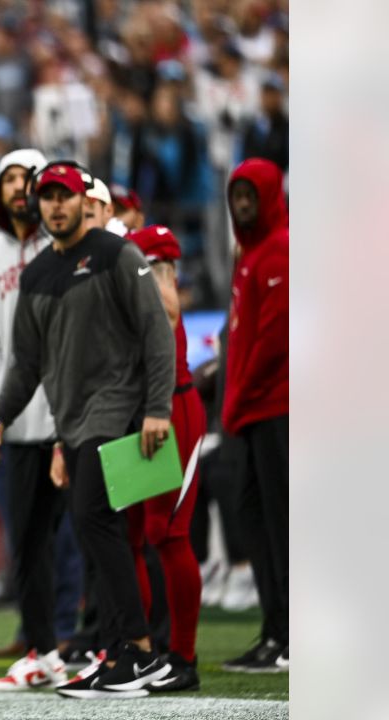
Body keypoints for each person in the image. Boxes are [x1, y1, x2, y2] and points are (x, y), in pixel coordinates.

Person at [0, 162, 176, 699]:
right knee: (99, 533)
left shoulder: (117, 254)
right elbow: (25, 363)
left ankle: (137, 651)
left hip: (119, 411)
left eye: (65, 196)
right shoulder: (38, 274)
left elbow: (156, 332)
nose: (55, 205)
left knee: (95, 521)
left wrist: (158, 407)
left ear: (84, 201)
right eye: (47, 197)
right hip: (73, 422)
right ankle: (122, 652)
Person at [0, 149, 72, 691]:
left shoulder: (64, 247)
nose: (17, 187)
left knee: (87, 535)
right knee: (29, 543)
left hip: (72, 413)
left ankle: (104, 641)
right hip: (19, 418)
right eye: (8, 177)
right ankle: (43, 649)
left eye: (27, 178)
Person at [123, 225, 209, 692]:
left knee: (168, 534)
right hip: (138, 413)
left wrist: (140, 265)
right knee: (132, 535)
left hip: (173, 408)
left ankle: (184, 655)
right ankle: (143, 650)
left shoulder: (147, 257)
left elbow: (168, 305)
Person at [220, 158, 289, 673]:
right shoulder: (248, 255)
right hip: (251, 410)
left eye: (251, 195)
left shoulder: (280, 251)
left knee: (281, 524)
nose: (243, 204)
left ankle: (288, 633)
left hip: (277, 409)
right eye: (236, 196)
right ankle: (276, 629)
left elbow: (273, 341)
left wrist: (238, 398)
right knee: (255, 520)